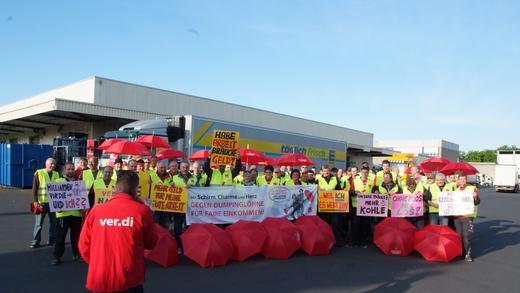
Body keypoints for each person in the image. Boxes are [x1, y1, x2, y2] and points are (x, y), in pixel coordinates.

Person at [79, 171, 158, 293]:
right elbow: (151, 243)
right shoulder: (142, 211)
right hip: (130, 276)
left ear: (115, 187)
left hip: (101, 276)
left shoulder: (96, 210)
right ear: (136, 189)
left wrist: (98, 262)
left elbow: (83, 245)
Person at [52, 163, 83, 265]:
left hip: (76, 214)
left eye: (72, 169)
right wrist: (57, 208)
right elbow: (55, 197)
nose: (71, 171)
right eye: (69, 169)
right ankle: (57, 256)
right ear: (64, 170)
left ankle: (76, 254)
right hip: (62, 215)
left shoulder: (78, 183)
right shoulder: (58, 181)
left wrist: (82, 209)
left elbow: (81, 198)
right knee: (60, 238)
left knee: (76, 238)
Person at [447, 171, 481, 262]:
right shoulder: (454, 190)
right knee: (459, 236)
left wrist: (475, 197)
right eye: (460, 179)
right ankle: (461, 252)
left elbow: (477, 202)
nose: (462, 181)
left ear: (466, 180)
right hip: (457, 217)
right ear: (457, 180)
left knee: (466, 235)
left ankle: (467, 254)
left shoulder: (471, 188)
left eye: (463, 179)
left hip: (467, 216)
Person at [31, 158, 60, 248]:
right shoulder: (39, 173)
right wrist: (35, 201)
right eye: (51, 164)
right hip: (41, 203)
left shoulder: (57, 174)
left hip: (53, 203)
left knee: (54, 223)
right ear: (46, 164)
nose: (53, 165)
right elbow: (34, 189)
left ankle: (52, 240)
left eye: (54, 164)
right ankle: (35, 241)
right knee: (38, 224)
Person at [317, 165, 346, 247]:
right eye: (324, 171)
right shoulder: (318, 179)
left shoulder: (335, 178)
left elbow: (339, 190)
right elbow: (315, 191)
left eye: (327, 171)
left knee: (335, 224)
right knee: (324, 224)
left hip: (333, 206)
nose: (326, 173)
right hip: (323, 207)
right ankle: (324, 240)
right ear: (322, 171)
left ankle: (335, 241)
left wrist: (343, 191)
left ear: (329, 171)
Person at [171, 162, 196, 253]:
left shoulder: (193, 178)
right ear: (180, 168)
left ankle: (188, 247)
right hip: (179, 206)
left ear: (189, 168)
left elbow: (196, 188)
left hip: (190, 207)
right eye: (183, 167)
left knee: (189, 227)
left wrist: (191, 186)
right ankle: (178, 246)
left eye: (186, 167)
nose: (185, 169)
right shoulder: (174, 178)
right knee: (177, 227)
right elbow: (170, 191)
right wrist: (171, 187)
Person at [351, 166, 374, 248]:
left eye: (366, 172)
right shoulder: (355, 180)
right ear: (360, 172)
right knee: (356, 224)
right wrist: (354, 192)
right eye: (363, 172)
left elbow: (374, 191)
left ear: (368, 173)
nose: (364, 174)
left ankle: (363, 242)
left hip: (367, 207)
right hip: (356, 206)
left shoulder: (371, 181)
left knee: (365, 225)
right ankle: (355, 242)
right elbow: (350, 191)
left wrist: (376, 192)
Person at [150, 162, 174, 229]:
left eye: (164, 168)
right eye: (161, 168)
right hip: (155, 205)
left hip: (166, 206)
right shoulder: (151, 175)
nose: (163, 169)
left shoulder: (169, 176)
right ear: (157, 167)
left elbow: (172, 190)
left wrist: (172, 186)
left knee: (165, 226)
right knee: (155, 225)